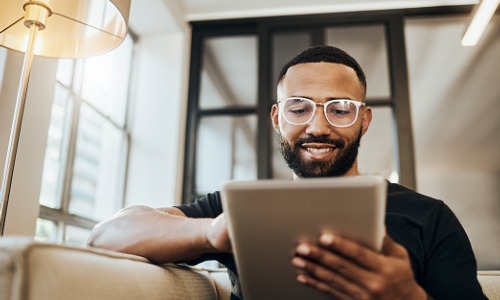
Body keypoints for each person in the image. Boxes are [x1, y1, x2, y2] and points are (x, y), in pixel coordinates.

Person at [88, 45, 486, 300]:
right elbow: (107, 236)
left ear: (364, 121)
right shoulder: (237, 209)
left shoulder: (429, 217)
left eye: (340, 109)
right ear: (277, 118)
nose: (317, 127)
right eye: (299, 108)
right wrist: (213, 231)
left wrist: (408, 298)